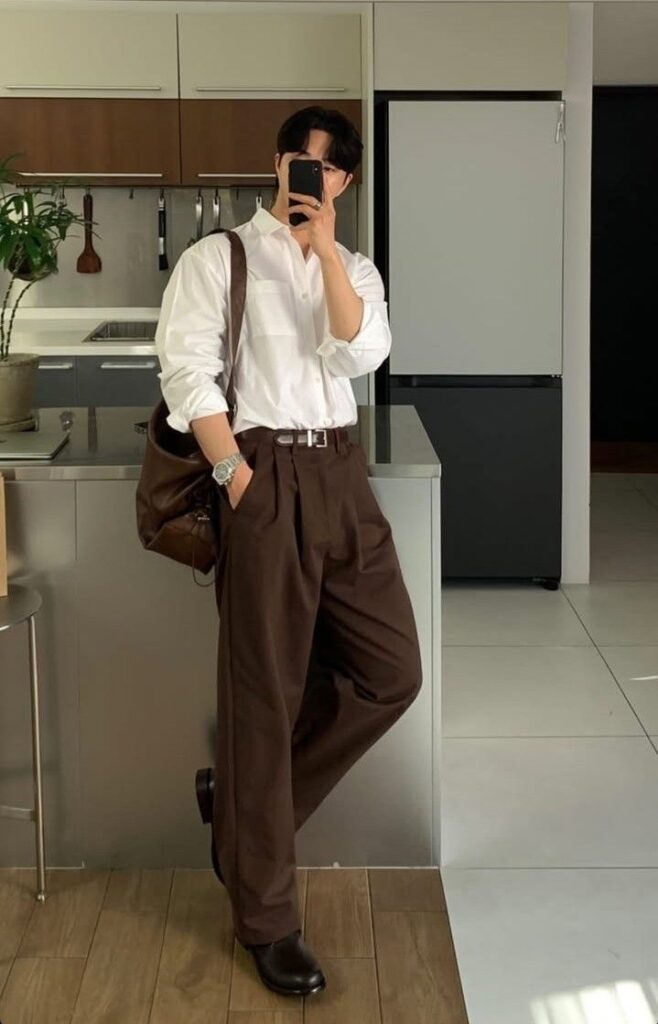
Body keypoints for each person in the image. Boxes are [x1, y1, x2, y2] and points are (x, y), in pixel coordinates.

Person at [155, 105, 422, 998]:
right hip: (264, 472)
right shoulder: (217, 258)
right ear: (277, 165)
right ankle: (266, 918)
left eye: (331, 170)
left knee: (393, 671)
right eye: (301, 163)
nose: (312, 179)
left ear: (344, 182)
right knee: (263, 697)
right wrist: (236, 477)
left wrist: (327, 253)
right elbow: (187, 371)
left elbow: (361, 355)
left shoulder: (355, 268)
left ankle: (239, 814)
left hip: (343, 477)